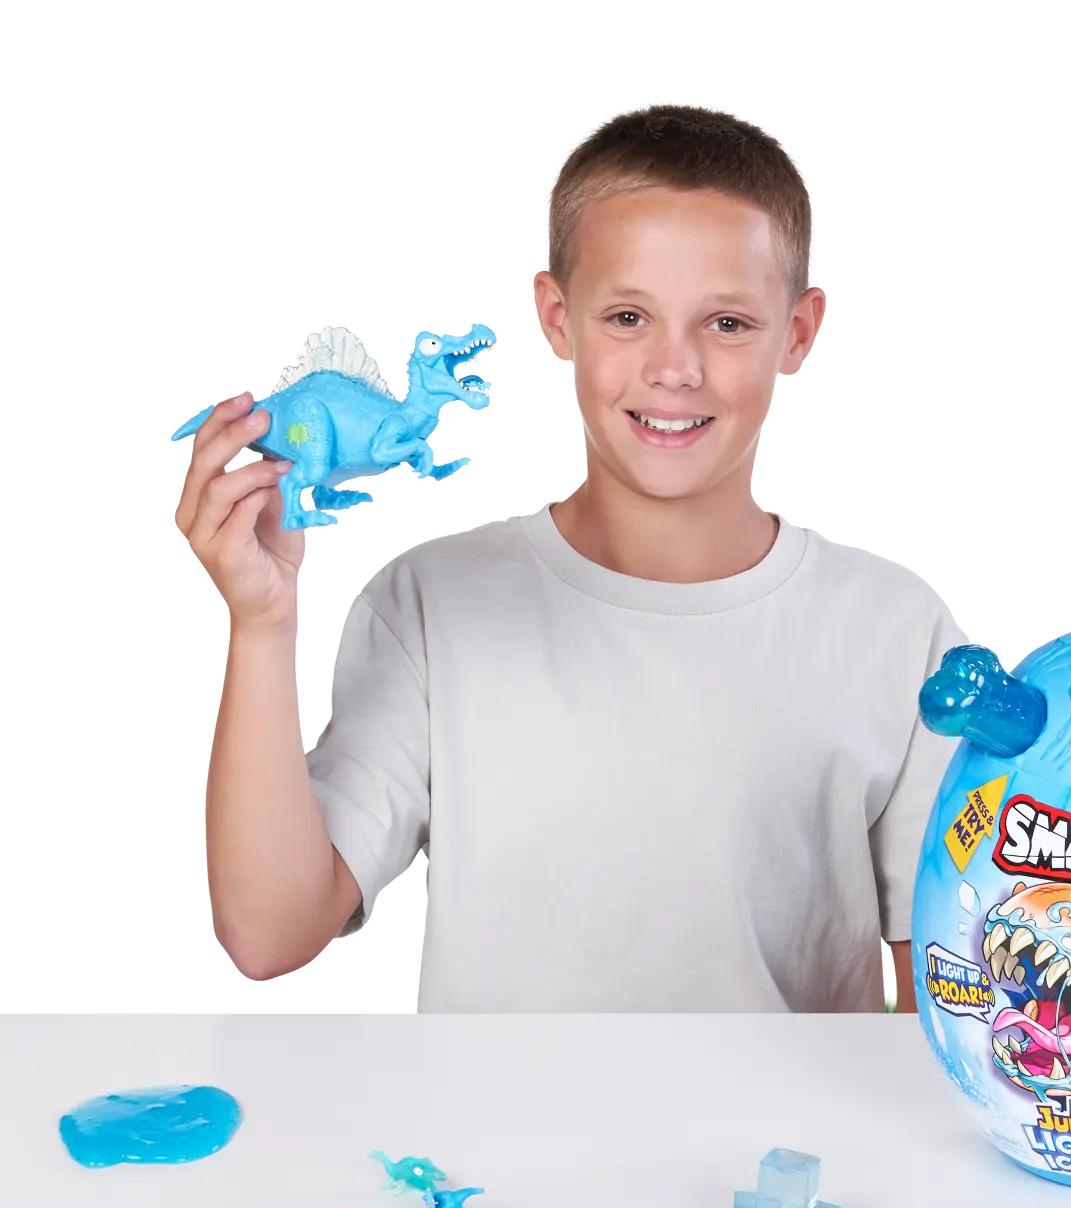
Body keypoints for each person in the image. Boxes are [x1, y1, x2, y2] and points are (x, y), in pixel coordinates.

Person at [174, 100, 970, 1012]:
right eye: (629, 316)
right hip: (491, 1116)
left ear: (799, 331)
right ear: (556, 317)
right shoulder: (432, 602)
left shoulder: (898, 628)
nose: (675, 369)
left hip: (785, 1116)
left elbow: (945, 995)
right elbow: (269, 933)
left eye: (727, 324)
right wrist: (262, 622)